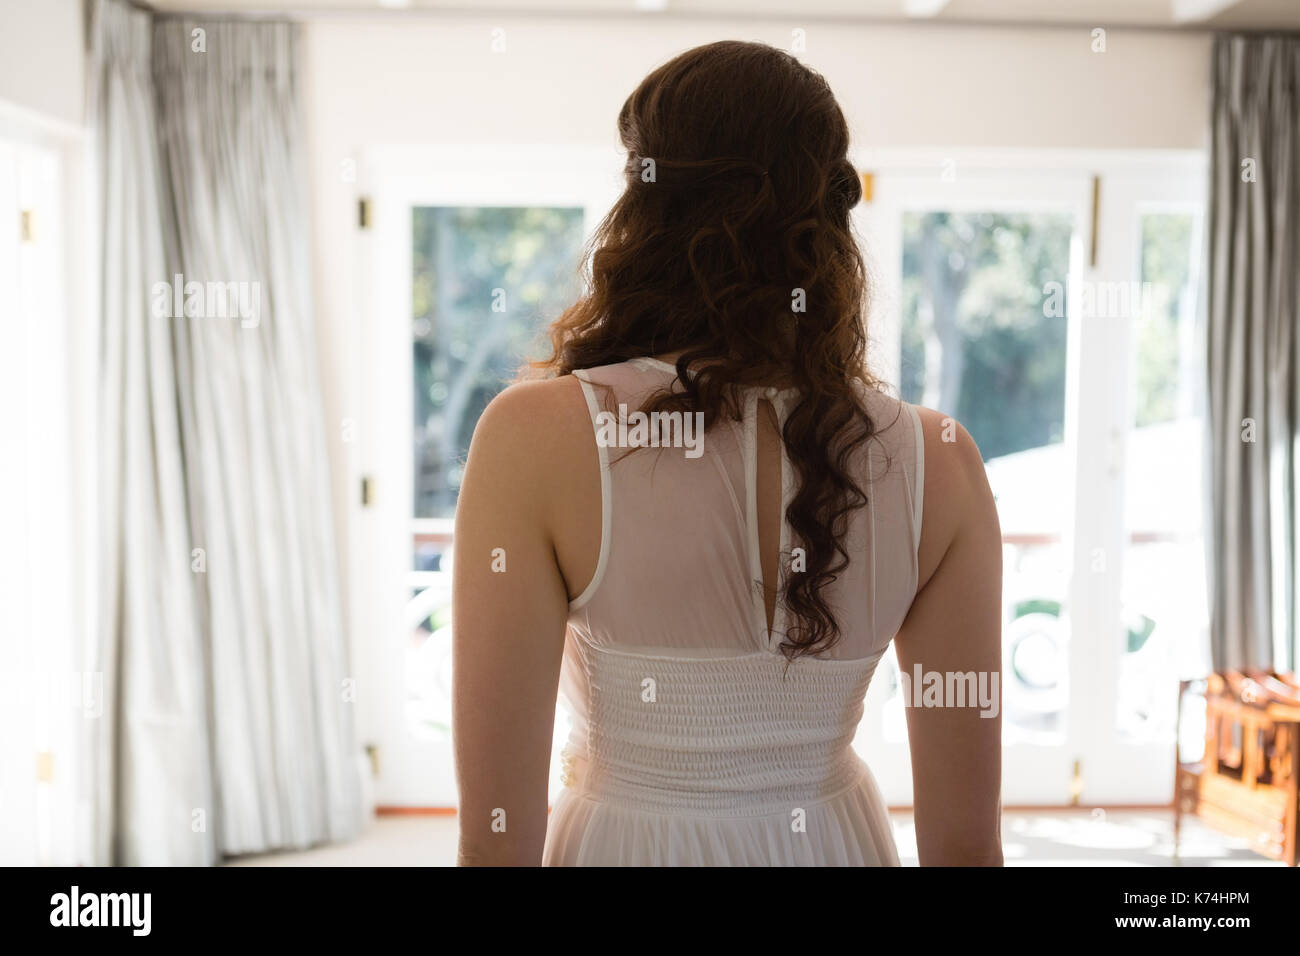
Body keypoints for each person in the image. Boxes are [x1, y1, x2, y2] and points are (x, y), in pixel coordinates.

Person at [452, 40, 1003, 866]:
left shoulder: (535, 438)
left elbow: (495, 843)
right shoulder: (941, 460)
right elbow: (966, 850)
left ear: (641, 215)